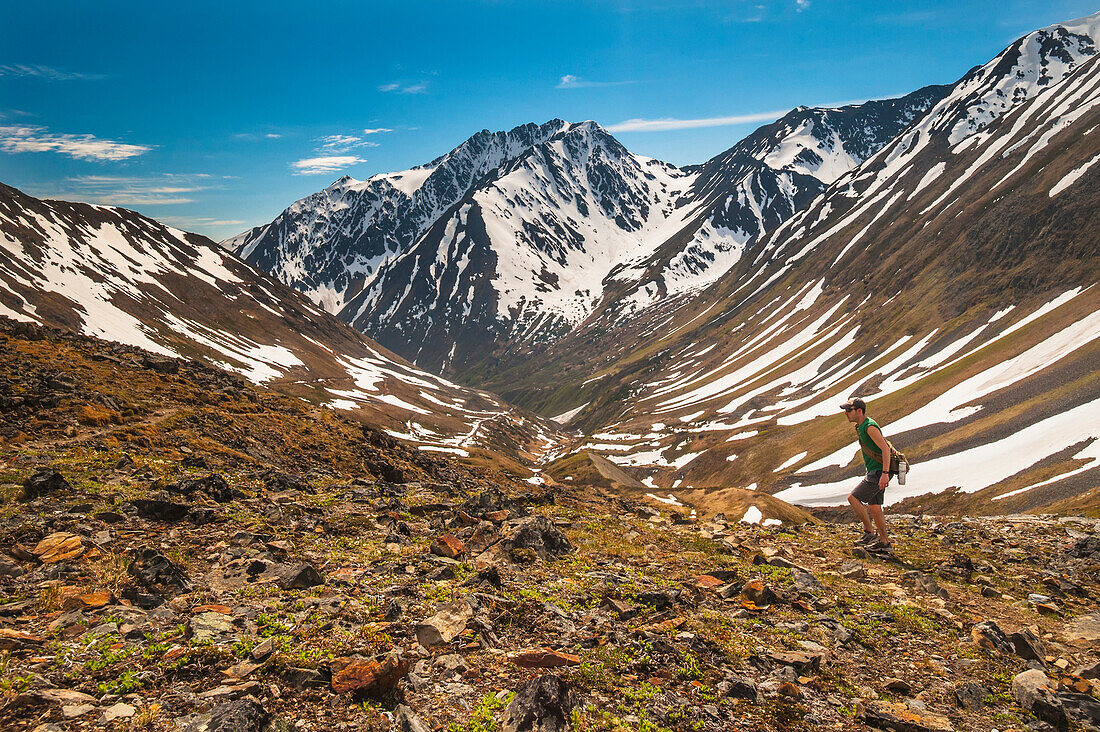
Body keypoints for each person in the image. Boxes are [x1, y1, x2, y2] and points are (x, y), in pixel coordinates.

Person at [841, 397, 892, 551]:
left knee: (853, 498)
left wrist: (884, 473)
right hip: (874, 470)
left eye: (849, 410)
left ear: (859, 411)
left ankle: (869, 532)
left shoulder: (869, 427)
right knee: (875, 507)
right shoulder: (861, 426)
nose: (846, 414)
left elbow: (885, 449)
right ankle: (884, 542)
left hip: (878, 472)